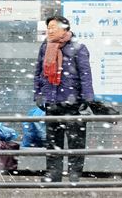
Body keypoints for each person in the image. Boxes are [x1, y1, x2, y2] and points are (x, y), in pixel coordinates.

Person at [33, 15, 94, 183]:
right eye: (49, 27)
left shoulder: (78, 47)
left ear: (65, 29)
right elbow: (39, 72)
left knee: (76, 142)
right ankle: (53, 174)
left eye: (53, 27)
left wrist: (87, 99)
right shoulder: (45, 47)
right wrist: (38, 94)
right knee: (53, 143)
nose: (50, 30)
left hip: (73, 103)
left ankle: (74, 175)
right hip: (52, 101)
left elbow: (86, 76)